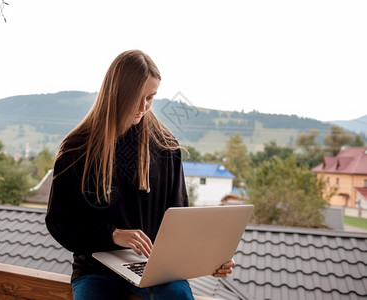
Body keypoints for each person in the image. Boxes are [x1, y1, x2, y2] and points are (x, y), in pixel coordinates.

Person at [45, 50, 235, 300]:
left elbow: (179, 219)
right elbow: (61, 221)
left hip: (154, 268)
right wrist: (113, 234)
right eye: (137, 97)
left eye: (151, 98)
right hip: (96, 270)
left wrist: (210, 257)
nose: (144, 107)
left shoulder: (165, 146)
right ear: (117, 94)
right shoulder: (76, 150)